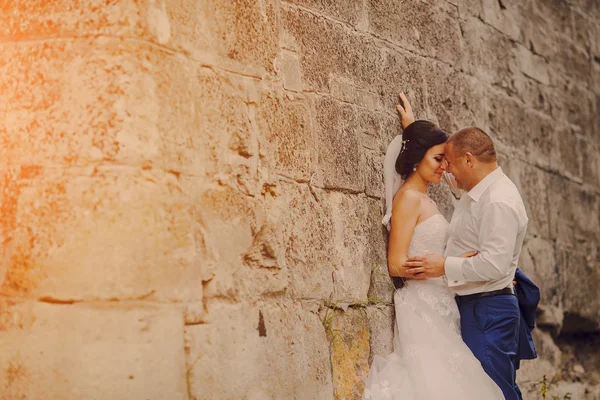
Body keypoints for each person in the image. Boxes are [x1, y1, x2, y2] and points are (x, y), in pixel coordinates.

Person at [362, 94, 504, 399]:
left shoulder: (425, 196)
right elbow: (396, 264)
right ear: (417, 158)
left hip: (443, 303)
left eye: (447, 159)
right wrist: (441, 266)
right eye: (438, 159)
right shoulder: (409, 198)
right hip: (422, 305)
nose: (446, 166)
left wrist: (413, 128)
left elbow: (436, 159)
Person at [403, 107, 529, 399]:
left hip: (489, 311)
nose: (445, 168)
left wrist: (444, 266)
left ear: (469, 160)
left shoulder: (498, 201)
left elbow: (494, 266)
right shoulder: (476, 189)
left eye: (450, 162)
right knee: (483, 389)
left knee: (495, 392)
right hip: (475, 307)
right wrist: (415, 136)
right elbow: (439, 172)